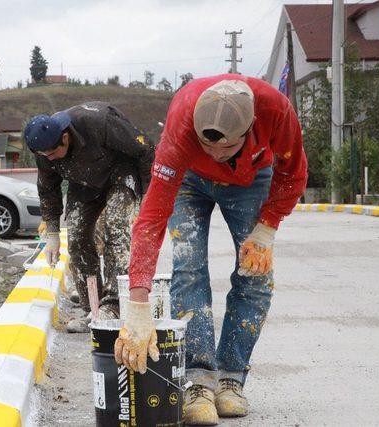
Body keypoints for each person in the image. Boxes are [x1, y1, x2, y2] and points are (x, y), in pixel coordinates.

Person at [114, 75, 307, 425]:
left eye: (226, 148)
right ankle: (198, 382)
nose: (217, 156)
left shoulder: (275, 110)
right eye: (209, 147)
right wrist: (138, 301)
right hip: (190, 179)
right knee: (189, 268)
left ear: (250, 128)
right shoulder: (180, 126)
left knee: (255, 276)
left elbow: (294, 172)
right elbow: (152, 218)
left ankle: (230, 379)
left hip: (251, 180)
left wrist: (268, 226)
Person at [24, 102, 155, 332]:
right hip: (84, 183)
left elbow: (145, 150)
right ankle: (92, 308)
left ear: (65, 137)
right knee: (76, 236)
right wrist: (52, 232)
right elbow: (47, 188)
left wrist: (147, 200)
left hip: (120, 175)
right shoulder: (44, 152)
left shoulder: (99, 123)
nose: (50, 159)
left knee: (116, 229)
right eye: (44, 155)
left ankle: (113, 305)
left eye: (53, 153)